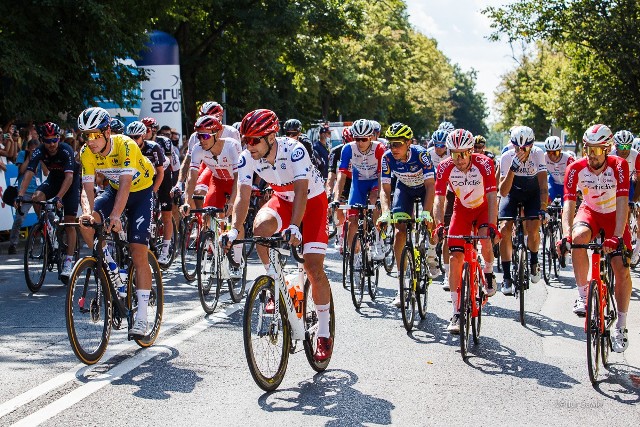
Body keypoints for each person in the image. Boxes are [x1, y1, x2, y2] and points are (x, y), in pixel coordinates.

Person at [223, 109, 333, 361]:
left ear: (271, 136)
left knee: (313, 267)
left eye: (254, 140)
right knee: (260, 229)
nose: (248, 145)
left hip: (312, 201)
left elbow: (303, 191)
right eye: (245, 139)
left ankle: (324, 332)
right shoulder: (247, 156)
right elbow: (243, 195)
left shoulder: (293, 150)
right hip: (282, 199)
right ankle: (274, 281)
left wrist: (295, 227)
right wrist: (233, 229)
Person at [77, 107, 155, 338]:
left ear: (107, 131)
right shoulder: (86, 152)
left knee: (138, 251)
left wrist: (115, 216)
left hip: (140, 192)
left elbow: (126, 184)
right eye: (85, 135)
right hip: (114, 191)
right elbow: (87, 188)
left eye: (94, 135)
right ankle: (105, 258)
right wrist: (90, 214)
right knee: (85, 222)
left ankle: (141, 317)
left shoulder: (126, 145)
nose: (90, 141)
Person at [560, 124, 631, 353]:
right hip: (590, 212)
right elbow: (569, 205)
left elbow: (623, 204)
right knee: (578, 237)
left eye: (598, 150)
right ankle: (583, 296)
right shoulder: (575, 168)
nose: (592, 155)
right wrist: (565, 235)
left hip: (614, 215)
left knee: (621, 268)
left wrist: (617, 236)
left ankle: (621, 325)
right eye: (588, 149)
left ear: (608, 148)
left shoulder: (619, 166)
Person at [433, 129, 498, 333]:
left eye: (463, 154)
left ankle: (487, 271)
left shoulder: (485, 164)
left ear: (471, 151)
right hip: (461, 209)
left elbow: (492, 197)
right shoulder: (444, 167)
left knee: (486, 239)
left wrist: (493, 225)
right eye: (454, 154)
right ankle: (457, 311)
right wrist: (438, 224)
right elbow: (439, 199)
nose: (459, 159)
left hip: (483, 208)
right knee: (454, 256)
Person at [378, 122, 436, 306]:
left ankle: (431, 253)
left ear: (408, 142)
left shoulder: (421, 155)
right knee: (399, 230)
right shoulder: (387, 158)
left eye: (398, 144)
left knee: (430, 219)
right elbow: (385, 188)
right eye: (390, 144)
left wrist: (426, 213)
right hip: (405, 188)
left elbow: (430, 186)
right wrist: (386, 212)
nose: (393, 148)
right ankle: (402, 283)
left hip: (424, 188)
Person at [15, 122, 80, 279]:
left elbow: (69, 177)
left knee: (70, 222)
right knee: (36, 197)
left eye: (54, 140)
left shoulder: (66, 150)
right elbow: (29, 172)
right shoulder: (39, 151)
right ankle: (45, 226)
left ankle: (68, 263)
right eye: (48, 140)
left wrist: (59, 197)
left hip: (70, 182)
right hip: (54, 179)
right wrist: (21, 195)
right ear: (43, 140)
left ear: (59, 138)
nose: (51, 144)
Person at [181, 115, 243, 277]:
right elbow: (192, 176)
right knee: (208, 215)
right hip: (218, 181)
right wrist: (187, 201)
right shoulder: (198, 149)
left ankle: (236, 261)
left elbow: (239, 177)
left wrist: (232, 202)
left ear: (217, 134)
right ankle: (215, 253)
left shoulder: (232, 146)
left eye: (206, 135)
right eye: (199, 135)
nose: (201, 140)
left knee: (236, 217)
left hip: (235, 182)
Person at [498, 125, 548, 294]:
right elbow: (503, 191)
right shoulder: (506, 157)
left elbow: (542, 184)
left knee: (534, 228)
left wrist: (543, 208)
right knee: (504, 230)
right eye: (517, 147)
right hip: (512, 193)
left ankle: (534, 262)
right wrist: (513, 167)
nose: (521, 150)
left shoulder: (538, 154)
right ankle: (506, 277)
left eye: (525, 147)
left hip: (532, 193)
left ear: (532, 145)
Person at [333, 119, 385, 261]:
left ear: (371, 137)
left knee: (375, 200)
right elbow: (341, 175)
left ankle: (378, 239)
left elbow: (382, 176)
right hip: (359, 183)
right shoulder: (348, 148)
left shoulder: (379, 148)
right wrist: (336, 198)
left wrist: (381, 198)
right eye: (357, 139)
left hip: (375, 180)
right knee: (352, 219)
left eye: (363, 139)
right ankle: (355, 259)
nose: (360, 143)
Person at [174, 101, 240, 208]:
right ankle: (201, 221)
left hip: (230, 170)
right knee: (200, 195)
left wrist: (232, 201)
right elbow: (188, 164)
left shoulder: (232, 134)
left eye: (209, 117)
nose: (205, 121)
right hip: (211, 166)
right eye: (202, 117)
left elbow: (240, 169)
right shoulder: (196, 139)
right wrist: (180, 184)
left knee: (234, 215)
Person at [141, 117, 175, 264]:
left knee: (167, 215)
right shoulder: (138, 143)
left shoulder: (164, 142)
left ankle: (166, 250)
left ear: (154, 130)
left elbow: (167, 163)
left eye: (147, 130)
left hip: (164, 176)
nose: (143, 133)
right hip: (147, 177)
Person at [427, 129, 453, 289]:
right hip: (432, 188)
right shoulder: (429, 154)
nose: (438, 148)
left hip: (448, 189)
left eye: (442, 145)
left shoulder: (453, 154)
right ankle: (431, 250)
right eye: (436, 145)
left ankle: (447, 272)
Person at [610, 130, 640, 264]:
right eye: (621, 146)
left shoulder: (636, 156)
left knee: (625, 212)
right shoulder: (609, 155)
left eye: (627, 146)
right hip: (611, 184)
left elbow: (639, 180)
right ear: (615, 146)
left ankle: (625, 239)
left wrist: (633, 200)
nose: (624, 150)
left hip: (627, 183)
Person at [8, 138, 42, 254]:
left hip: (37, 192)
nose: (34, 151)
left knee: (45, 217)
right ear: (28, 148)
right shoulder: (23, 154)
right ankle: (13, 244)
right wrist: (29, 157)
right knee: (19, 219)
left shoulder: (41, 155)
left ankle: (46, 241)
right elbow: (22, 170)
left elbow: (46, 172)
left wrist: (40, 159)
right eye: (32, 149)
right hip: (25, 191)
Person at [326, 128, 354, 251]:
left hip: (358, 180)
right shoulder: (335, 151)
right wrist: (329, 193)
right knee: (337, 207)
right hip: (342, 180)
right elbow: (331, 175)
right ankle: (339, 232)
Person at [544, 136, 574, 204]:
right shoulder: (544, 157)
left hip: (567, 185)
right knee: (545, 200)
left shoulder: (568, 158)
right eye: (549, 152)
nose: (552, 156)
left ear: (560, 150)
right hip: (553, 183)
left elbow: (577, 174)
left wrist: (578, 189)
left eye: (555, 153)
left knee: (566, 206)